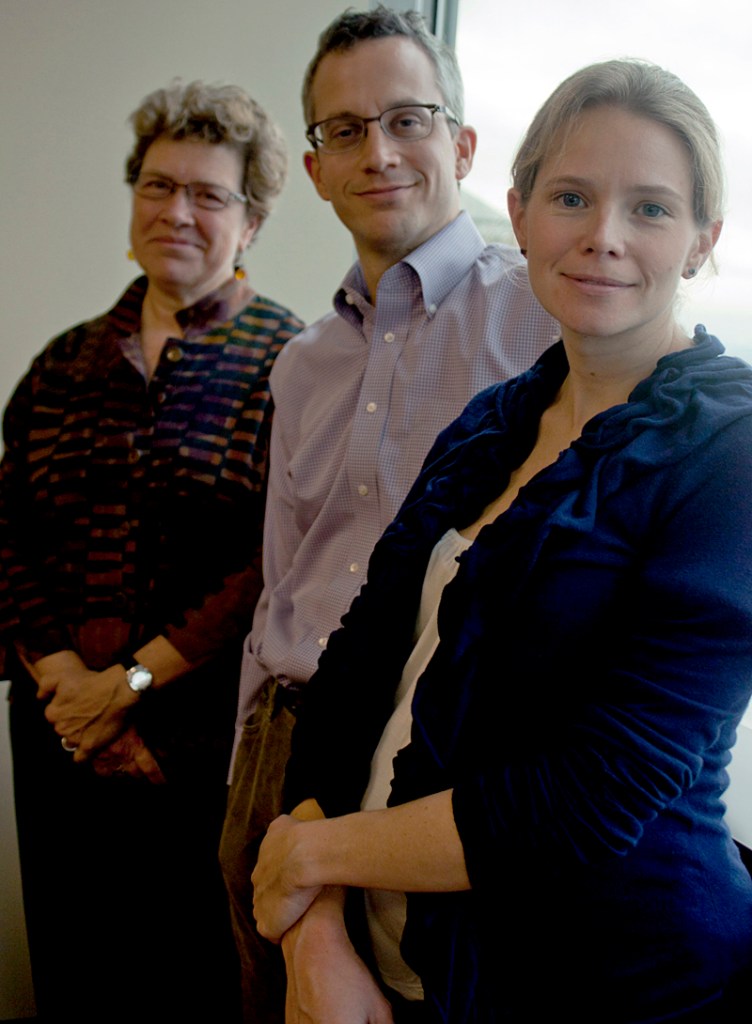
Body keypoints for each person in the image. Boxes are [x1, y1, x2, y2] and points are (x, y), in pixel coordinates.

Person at [252, 59, 752, 1023]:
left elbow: (594, 791)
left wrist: (312, 856)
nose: (603, 238)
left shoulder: (731, 452)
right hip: (397, 971)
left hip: (614, 986)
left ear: (701, 243)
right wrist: (315, 933)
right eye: (572, 197)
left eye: (651, 209)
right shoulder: (495, 421)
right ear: (518, 215)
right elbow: (352, 671)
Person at [218, 6, 557, 1022]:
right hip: (274, 749)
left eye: (406, 119)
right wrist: (248, 763)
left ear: (458, 142)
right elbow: (284, 573)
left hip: (425, 758)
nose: (378, 152)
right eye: (343, 131)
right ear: (314, 170)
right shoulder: (301, 361)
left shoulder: (543, 318)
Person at [0, 80, 303, 1023]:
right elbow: (8, 532)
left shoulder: (292, 360)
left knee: (195, 981)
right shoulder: (61, 361)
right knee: (75, 972)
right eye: (157, 187)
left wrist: (128, 687)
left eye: (209, 195)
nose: (177, 212)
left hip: (203, 747)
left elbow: (273, 561)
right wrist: (64, 680)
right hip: (59, 735)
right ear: (132, 202)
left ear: (250, 222)